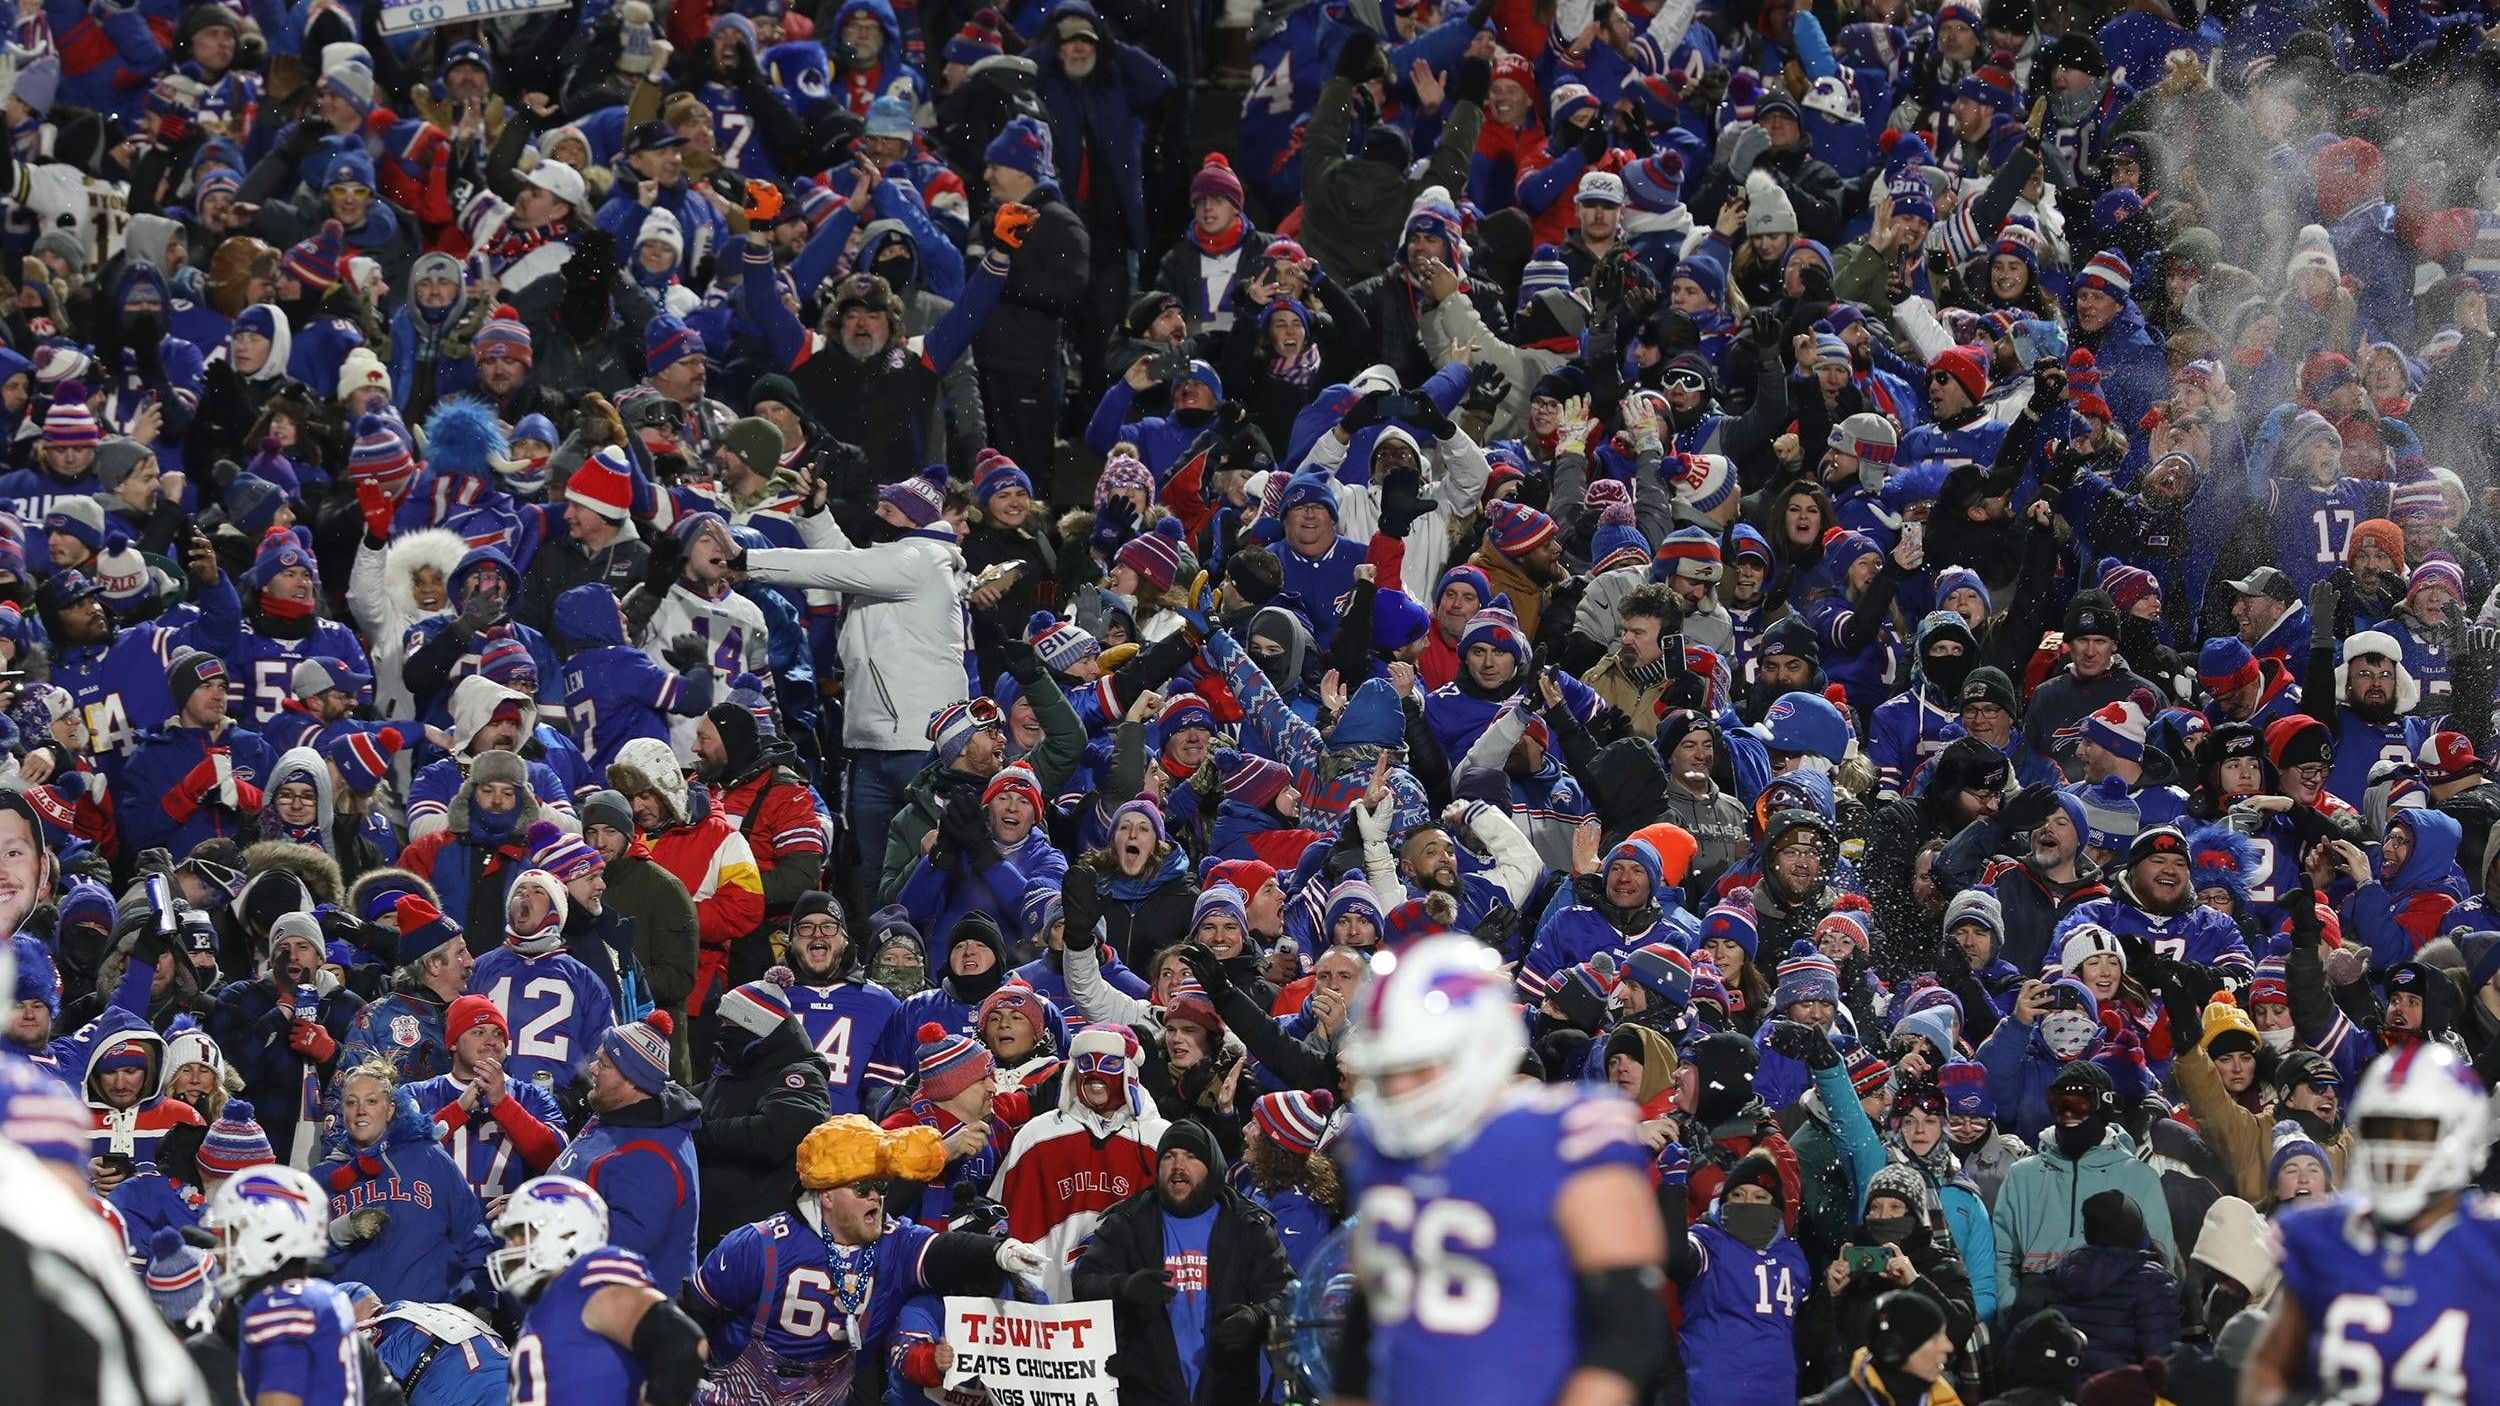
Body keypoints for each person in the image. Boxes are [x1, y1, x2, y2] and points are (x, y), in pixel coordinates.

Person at [1336, 935, 1668, 1406]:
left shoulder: (1565, 1133)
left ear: (1481, 1047)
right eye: (1388, 1071)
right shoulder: (1376, 1146)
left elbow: (1629, 1325)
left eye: (1417, 1067)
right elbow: (1370, 1314)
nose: (1400, 1089)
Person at [684, 1115, 1051, 1399]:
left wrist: (999, 1252)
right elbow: (693, 1312)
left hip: (826, 1397)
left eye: (880, 1186)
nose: (876, 1196)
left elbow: (943, 1252)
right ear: (826, 1195)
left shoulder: (894, 1241)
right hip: (739, 1394)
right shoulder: (759, 1245)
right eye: (863, 1188)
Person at [1073, 1118, 1294, 1406]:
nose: (1178, 1166)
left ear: (1212, 1167)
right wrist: (1123, 1287)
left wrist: (1257, 1317)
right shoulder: (1126, 1222)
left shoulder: (1248, 1225)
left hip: (1228, 1392)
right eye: (1169, 1157)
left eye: (1191, 1157)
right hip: (1144, 1392)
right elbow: (1084, 1284)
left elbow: (1290, 1295)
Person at [488, 1176, 710, 1406]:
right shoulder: (549, 1307)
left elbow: (682, 1344)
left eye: (520, 1236)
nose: (509, 1248)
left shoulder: (587, 1281)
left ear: (566, 1234)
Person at [547, 1013, 704, 1293]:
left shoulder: (652, 1156)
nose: (593, 1069)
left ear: (634, 1081)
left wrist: (542, 1219)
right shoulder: (618, 1111)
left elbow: (619, 1245)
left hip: (629, 1319)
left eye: (604, 1064)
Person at [694, 970, 831, 1244]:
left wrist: (701, 1133)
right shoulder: (734, 1070)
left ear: (753, 1025)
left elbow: (778, 1133)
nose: (721, 1031)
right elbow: (696, 1102)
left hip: (762, 1236)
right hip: (714, 1228)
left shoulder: (800, 1075)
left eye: (727, 1023)